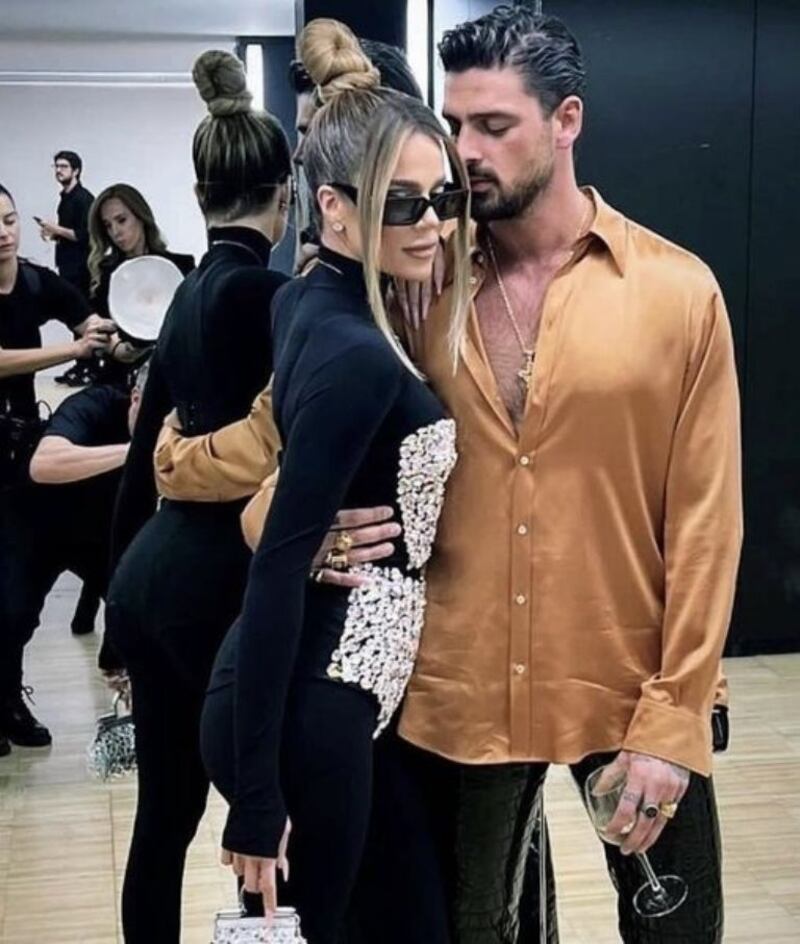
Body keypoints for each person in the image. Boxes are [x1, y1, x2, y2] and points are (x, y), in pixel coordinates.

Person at [156, 7, 743, 943]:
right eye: (457, 123)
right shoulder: (413, 282)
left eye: (495, 126)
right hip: (459, 691)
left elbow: (708, 521)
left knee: (679, 931)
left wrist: (677, 715)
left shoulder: (677, 293)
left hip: (629, 679)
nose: (466, 152)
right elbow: (280, 443)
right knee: (480, 932)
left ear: (567, 121)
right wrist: (273, 518)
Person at [197, 19, 470, 944]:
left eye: (443, 198)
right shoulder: (355, 351)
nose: (433, 224)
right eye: (403, 204)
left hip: (334, 697)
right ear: (334, 207)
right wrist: (257, 799)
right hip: (313, 705)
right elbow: (277, 569)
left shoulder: (309, 300)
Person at [103, 49, 293, 944]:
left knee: (165, 816)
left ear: (198, 191)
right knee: (264, 812)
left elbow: (142, 458)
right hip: (224, 580)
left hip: (150, 576)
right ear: (286, 195)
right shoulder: (275, 296)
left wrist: (113, 607)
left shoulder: (179, 297)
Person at [0, 182, 113, 756]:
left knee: (18, 593)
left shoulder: (35, 281)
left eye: (9, 219)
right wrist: (71, 351)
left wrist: (102, 332)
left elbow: (87, 319)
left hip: (21, 455)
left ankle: (7, 700)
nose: (2, 232)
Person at [0, 363, 149, 735]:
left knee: (140, 613)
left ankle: (141, 707)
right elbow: (44, 465)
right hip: (36, 518)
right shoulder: (94, 404)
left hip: (104, 531)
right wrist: (136, 451)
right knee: (12, 614)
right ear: (134, 398)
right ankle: (6, 700)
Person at [36, 151, 97, 387]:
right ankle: (81, 364)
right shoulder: (66, 198)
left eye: (63, 166)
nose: (58, 171)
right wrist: (53, 234)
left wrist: (56, 229)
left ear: (76, 171)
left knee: (82, 315)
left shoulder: (83, 199)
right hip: (68, 266)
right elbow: (69, 235)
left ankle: (89, 367)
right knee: (74, 316)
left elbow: (85, 236)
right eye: (56, 166)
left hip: (81, 268)